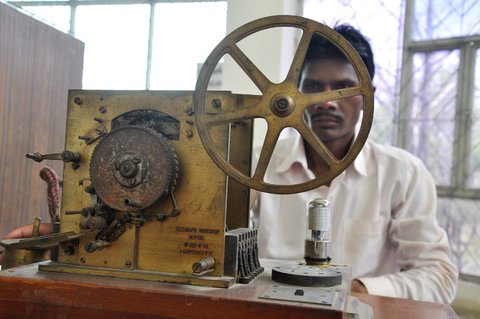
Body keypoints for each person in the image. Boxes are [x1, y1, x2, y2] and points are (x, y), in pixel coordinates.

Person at [249, 24, 458, 304]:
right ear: (295, 95)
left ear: (367, 95)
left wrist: (358, 290)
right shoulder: (255, 165)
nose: (326, 102)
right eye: (313, 87)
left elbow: (438, 276)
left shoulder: (401, 174)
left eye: (343, 87)